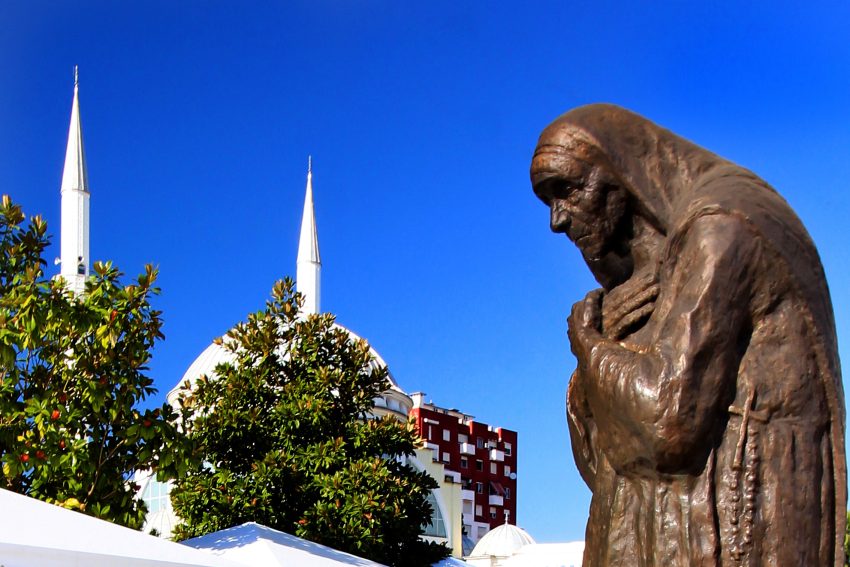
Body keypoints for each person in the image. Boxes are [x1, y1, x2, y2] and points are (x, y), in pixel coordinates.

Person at [530, 104, 845, 566]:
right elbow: (603, 466)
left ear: (620, 171)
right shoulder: (653, 278)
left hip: (729, 535)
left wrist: (589, 342)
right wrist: (599, 357)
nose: (558, 220)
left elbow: (666, 423)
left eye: (568, 190)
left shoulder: (720, 228)